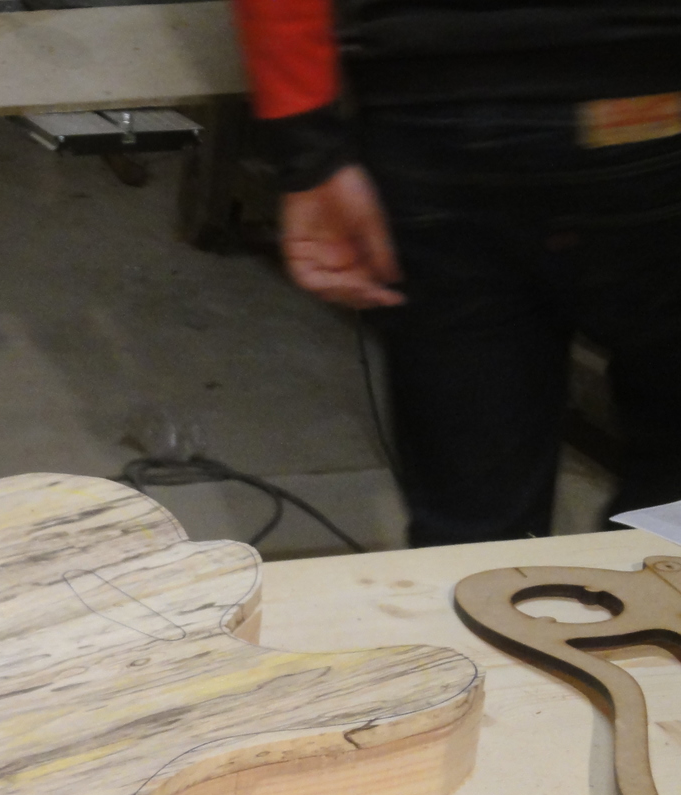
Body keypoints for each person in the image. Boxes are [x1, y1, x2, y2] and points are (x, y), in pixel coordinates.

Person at [229, 0, 681, 546]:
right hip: (654, 96)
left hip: (435, 114)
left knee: (475, 527)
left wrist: (309, 153)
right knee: (672, 507)